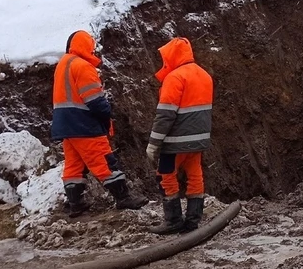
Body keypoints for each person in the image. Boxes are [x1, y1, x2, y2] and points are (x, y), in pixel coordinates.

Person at [51, 30, 147, 217]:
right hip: (84, 124)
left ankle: (75, 204)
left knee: (74, 165)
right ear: (86, 46)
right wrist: (106, 116)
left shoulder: (63, 64)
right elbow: (95, 101)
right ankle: (123, 197)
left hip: (65, 125)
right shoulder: (83, 66)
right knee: (104, 160)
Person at [145, 36, 214, 235]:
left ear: (172, 56)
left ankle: (173, 220)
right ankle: (193, 221)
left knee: (166, 176)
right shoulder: (204, 76)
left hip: (175, 142)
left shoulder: (174, 78)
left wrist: (153, 143)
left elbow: (165, 115)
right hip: (198, 140)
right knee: (195, 176)